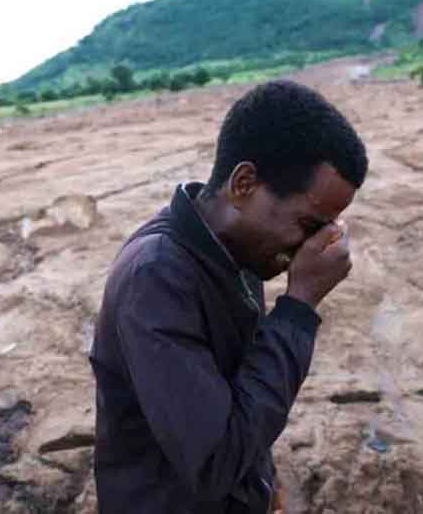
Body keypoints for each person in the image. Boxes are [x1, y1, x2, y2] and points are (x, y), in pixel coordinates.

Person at [90, 80, 368, 513]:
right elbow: (215, 459)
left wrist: (265, 482)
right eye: (309, 225)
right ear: (243, 184)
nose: (310, 247)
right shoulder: (157, 276)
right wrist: (298, 309)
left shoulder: (234, 251)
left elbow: (241, 391)